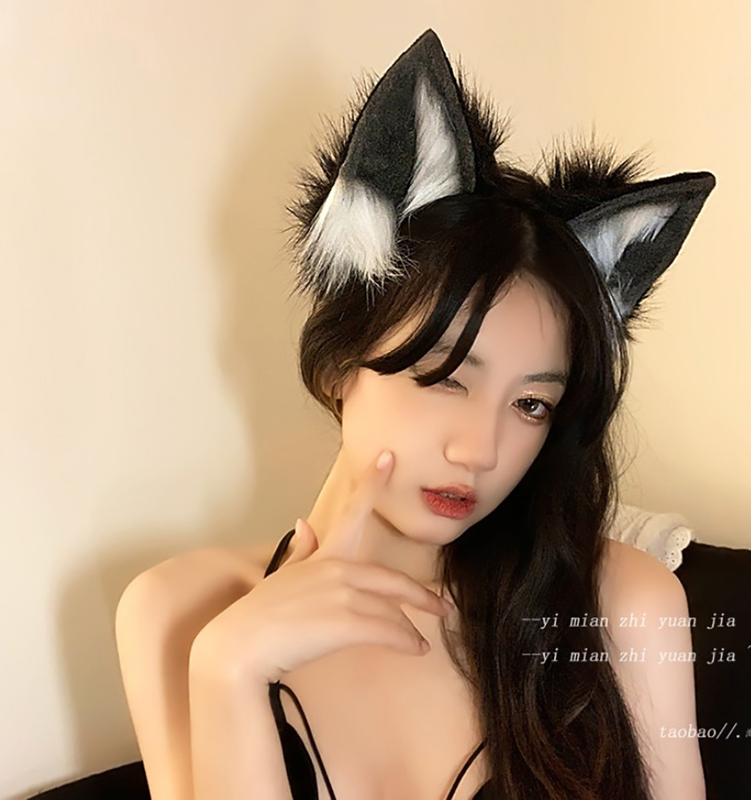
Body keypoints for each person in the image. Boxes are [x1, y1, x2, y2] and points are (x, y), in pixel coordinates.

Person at [117, 29, 714, 800]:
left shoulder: (624, 605)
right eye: (445, 378)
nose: (481, 450)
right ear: (339, 366)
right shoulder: (182, 613)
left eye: (531, 404)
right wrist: (230, 671)